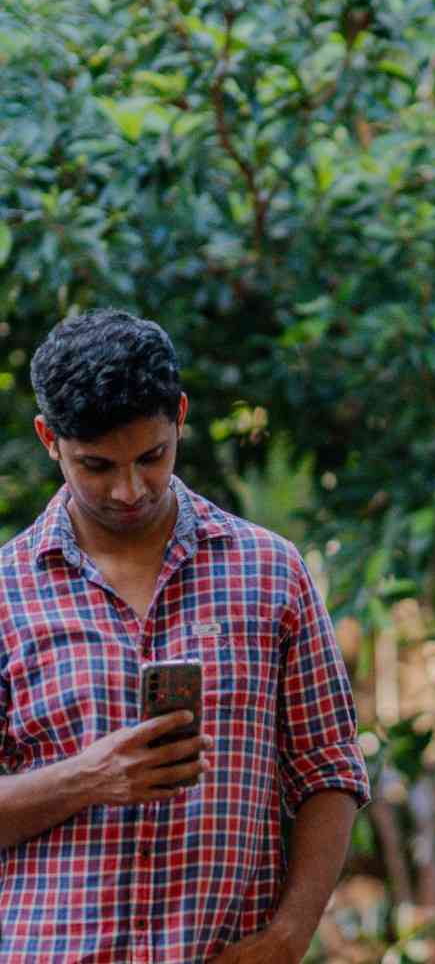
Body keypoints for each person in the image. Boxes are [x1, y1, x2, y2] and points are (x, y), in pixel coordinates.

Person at [0, 310, 370, 963]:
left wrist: (289, 936)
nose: (128, 489)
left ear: (180, 415)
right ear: (47, 439)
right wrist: (88, 778)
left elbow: (329, 768)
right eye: (96, 465)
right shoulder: (6, 591)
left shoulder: (269, 571)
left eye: (153, 456)